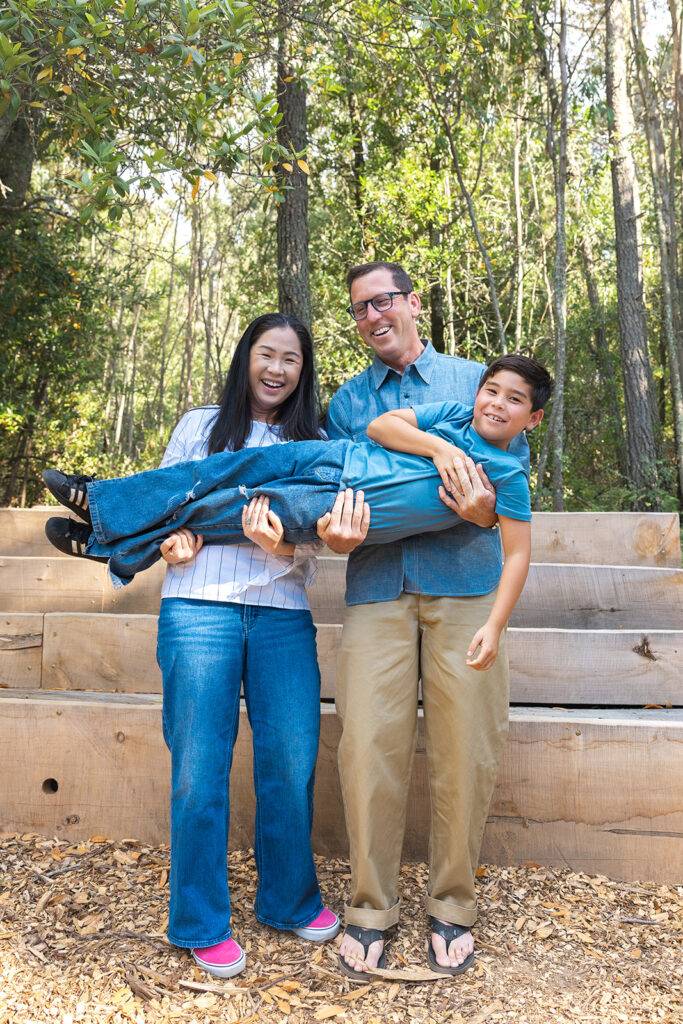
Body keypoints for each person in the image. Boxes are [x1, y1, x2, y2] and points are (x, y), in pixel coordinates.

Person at [46, 313, 342, 980]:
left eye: (290, 359)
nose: (276, 368)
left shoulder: (316, 441)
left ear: (303, 371)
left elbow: (318, 538)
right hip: (198, 611)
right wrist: (169, 544)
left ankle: (289, 903)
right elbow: (169, 509)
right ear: (246, 359)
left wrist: (282, 544)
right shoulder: (199, 425)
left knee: (290, 766)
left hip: (281, 615)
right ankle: (200, 921)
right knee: (197, 773)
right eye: (266, 354)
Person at [320, 261, 537, 981]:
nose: (372, 315)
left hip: (467, 588)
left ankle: (452, 905)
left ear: (414, 303)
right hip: (377, 588)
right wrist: (334, 536)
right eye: (358, 309)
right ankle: (370, 909)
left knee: (465, 752)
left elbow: (507, 486)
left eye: (383, 301)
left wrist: (481, 515)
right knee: (366, 751)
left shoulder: (476, 382)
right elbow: (328, 497)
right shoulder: (347, 401)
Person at [43, 355, 548, 615]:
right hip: (338, 454)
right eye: (492, 390)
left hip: (339, 503)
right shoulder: (455, 415)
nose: (497, 404)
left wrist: (495, 623)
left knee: (228, 508)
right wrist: (441, 449)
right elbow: (381, 427)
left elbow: (518, 554)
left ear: (533, 418)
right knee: (226, 467)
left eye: (514, 400)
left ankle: (108, 546)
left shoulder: (507, 477)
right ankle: (102, 499)